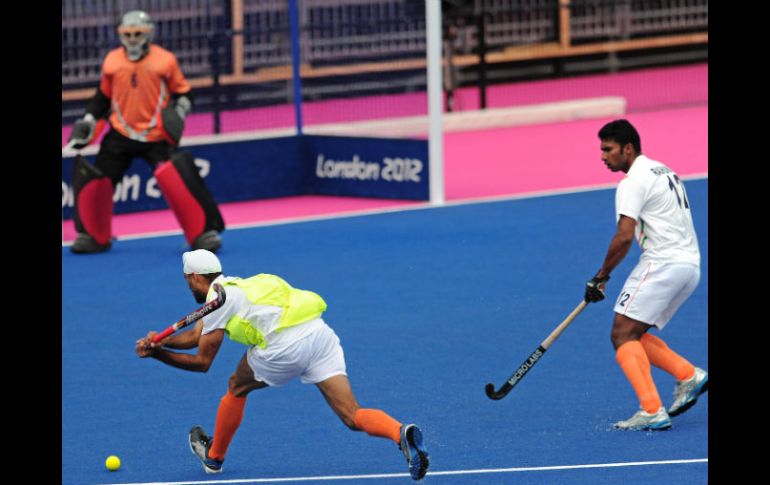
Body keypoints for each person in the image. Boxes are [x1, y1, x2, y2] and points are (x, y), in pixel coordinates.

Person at [134, 249, 430, 480]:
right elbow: (198, 335)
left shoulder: (217, 299)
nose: (189, 288)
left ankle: (214, 458)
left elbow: (202, 362)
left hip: (284, 347)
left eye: (188, 281)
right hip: (318, 335)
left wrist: (157, 356)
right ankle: (400, 433)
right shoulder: (240, 286)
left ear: (196, 277)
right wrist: (160, 342)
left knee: (236, 387)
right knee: (352, 416)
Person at [584, 119, 708, 431]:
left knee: (621, 334)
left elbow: (624, 236)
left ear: (628, 148)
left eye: (608, 149)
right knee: (633, 332)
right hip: (689, 266)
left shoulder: (632, 182)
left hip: (663, 264)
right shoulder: (664, 170)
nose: (603, 156)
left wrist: (602, 276)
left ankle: (652, 409)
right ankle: (687, 375)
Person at [67, 10, 224, 254]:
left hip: (156, 136)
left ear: (148, 33)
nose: (132, 38)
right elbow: (103, 97)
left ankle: (203, 232)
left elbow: (184, 92)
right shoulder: (112, 61)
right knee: (99, 180)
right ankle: (93, 236)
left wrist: (180, 111)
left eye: (137, 33)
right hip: (120, 134)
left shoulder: (166, 61)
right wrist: (89, 119)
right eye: (127, 34)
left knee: (179, 179)